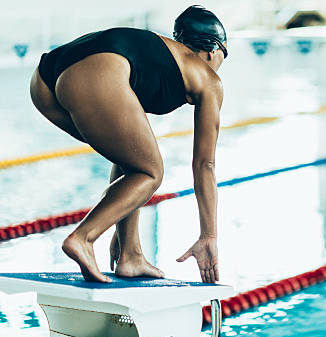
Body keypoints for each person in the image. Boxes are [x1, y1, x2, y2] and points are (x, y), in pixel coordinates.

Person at [29, 5, 227, 284]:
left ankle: (130, 254)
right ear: (213, 51)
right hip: (92, 76)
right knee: (150, 172)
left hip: (44, 81)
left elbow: (127, 155)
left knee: (134, 162)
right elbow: (204, 164)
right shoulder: (208, 78)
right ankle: (83, 238)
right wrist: (209, 236)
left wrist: (123, 234)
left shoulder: (158, 56)